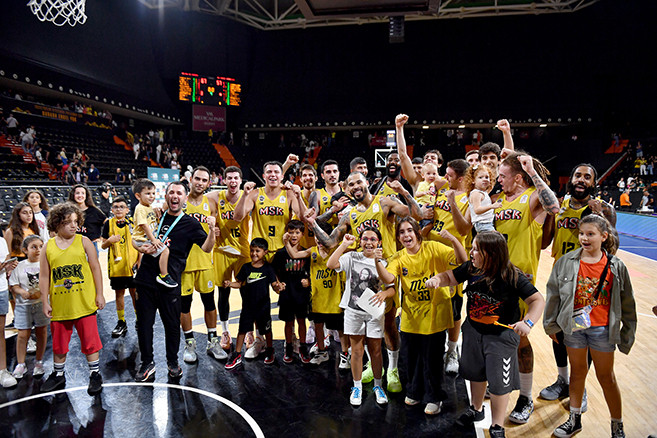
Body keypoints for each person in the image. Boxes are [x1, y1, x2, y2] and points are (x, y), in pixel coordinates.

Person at [308, 170, 423, 394]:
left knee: (388, 325)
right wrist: (312, 223)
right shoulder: (349, 215)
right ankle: (371, 364)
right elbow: (331, 242)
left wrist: (404, 192)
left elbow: (415, 214)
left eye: (358, 182)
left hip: (386, 271)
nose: (355, 187)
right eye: (350, 184)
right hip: (361, 276)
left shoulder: (385, 202)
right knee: (363, 325)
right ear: (347, 188)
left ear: (366, 183)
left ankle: (392, 369)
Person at [426, 231, 545, 438]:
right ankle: (476, 409)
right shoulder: (471, 269)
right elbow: (450, 277)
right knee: (474, 373)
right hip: (473, 330)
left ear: (491, 253)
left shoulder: (511, 275)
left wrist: (528, 322)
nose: (471, 253)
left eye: (476, 249)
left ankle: (497, 426)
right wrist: (438, 279)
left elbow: (537, 300)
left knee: (499, 383)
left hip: (501, 336)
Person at [544, 215, 636, 438]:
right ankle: (574, 420)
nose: (584, 238)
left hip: (602, 330)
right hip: (574, 327)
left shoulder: (616, 266)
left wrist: (627, 333)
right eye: (582, 233)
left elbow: (628, 304)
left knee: (607, 377)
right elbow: (553, 295)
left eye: (590, 234)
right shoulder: (566, 262)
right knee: (577, 373)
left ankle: (617, 426)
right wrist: (551, 325)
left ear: (604, 237)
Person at [540, 163, 616, 404]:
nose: (581, 180)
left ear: (593, 183)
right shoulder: (559, 206)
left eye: (587, 177)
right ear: (571, 179)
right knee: (558, 331)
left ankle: (578, 385)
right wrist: (551, 217)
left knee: (583, 334)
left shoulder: (603, 209)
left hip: (587, 282)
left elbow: (614, 246)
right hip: (560, 278)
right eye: (578, 175)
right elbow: (544, 243)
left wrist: (600, 216)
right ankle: (563, 380)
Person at [374, 218, 467, 415]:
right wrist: (376, 261)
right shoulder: (398, 258)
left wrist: (453, 240)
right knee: (412, 358)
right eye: (401, 232)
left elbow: (461, 261)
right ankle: (415, 391)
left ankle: (434, 397)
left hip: (435, 315)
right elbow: (389, 279)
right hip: (411, 317)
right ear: (398, 237)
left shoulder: (433, 248)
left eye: (409, 230)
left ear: (417, 233)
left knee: (432, 360)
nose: (406, 235)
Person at [492, 152, 559, 424]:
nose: (498, 179)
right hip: (493, 280)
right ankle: (499, 386)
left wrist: (533, 172)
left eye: (502, 175)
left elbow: (554, 206)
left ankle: (526, 396)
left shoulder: (532, 197)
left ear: (517, 178)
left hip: (519, 282)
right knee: (496, 337)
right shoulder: (496, 201)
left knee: (521, 341)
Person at [133, 181, 216, 382]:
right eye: (171, 192)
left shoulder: (190, 223)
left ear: (185, 198)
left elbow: (206, 248)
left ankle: (172, 362)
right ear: (166, 196)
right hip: (145, 279)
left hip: (169, 282)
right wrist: (140, 248)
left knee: (171, 325)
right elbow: (136, 237)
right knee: (144, 324)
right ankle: (147, 363)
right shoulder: (155, 216)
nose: (175, 196)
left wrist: (213, 231)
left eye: (179, 193)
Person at [233, 161, 302, 357]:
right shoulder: (255, 194)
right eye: (269, 172)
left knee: (290, 297)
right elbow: (238, 217)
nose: (272, 175)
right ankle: (259, 339)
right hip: (260, 254)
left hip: (283, 253)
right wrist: (244, 194)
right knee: (256, 299)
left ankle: (293, 337)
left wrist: (297, 194)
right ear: (263, 175)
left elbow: (303, 218)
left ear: (282, 175)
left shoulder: (288, 194)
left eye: (276, 172)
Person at [40, 202, 106, 396]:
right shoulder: (47, 247)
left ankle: (95, 374)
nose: (73, 225)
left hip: (84, 302)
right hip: (60, 304)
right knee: (60, 344)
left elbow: (95, 267)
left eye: (76, 221)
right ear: (56, 223)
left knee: (90, 342)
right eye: (68, 222)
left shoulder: (84, 241)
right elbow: (44, 276)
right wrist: (44, 300)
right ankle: (59, 375)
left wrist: (100, 293)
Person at [327, 228, 389, 406]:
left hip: (374, 313)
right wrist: (344, 245)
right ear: (360, 241)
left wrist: (386, 294)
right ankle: (357, 386)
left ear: (379, 242)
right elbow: (331, 265)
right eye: (365, 239)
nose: (368, 242)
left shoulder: (383, 263)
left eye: (373, 239)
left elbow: (390, 286)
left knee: (376, 351)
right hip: (353, 311)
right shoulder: (352, 257)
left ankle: (378, 386)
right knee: (356, 351)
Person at [284, 221, 350, 367]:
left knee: (340, 329)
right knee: (318, 326)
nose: (319, 240)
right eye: (316, 236)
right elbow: (294, 255)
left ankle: (345, 354)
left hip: (334, 298)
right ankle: (322, 351)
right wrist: (286, 243)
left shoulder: (336, 251)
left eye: (323, 237)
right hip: (317, 298)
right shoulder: (312, 251)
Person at [178, 167, 223, 363]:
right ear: (190, 180)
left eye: (204, 180)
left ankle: (213, 341)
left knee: (209, 303)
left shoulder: (211, 203)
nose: (200, 182)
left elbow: (217, 230)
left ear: (208, 183)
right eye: (197, 178)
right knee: (184, 305)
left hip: (205, 262)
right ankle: (189, 344)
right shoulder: (179, 201)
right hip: (183, 264)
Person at [207, 166, 250, 352]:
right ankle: (224, 331)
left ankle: (249, 330)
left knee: (247, 294)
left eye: (236, 178)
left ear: (240, 180)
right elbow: (191, 201)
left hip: (242, 251)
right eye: (229, 178)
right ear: (223, 180)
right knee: (223, 293)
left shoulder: (249, 196)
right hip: (221, 251)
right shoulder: (214, 197)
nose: (233, 181)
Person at [224, 238, 284, 370]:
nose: (254, 253)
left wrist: (279, 287)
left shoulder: (268, 269)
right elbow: (239, 283)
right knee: (242, 330)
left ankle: (269, 350)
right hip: (248, 306)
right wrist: (230, 284)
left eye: (258, 251)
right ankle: (237, 355)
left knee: (267, 330)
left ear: (265, 252)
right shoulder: (246, 267)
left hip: (263, 307)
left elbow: (274, 286)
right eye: (252, 251)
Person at [9, 235, 48, 379]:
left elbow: (50, 283)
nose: (38, 250)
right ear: (25, 250)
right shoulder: (19, 266)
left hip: (40, 304)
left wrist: (42, 292)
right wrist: (22, 292)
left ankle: (39, 362)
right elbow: (14, 285)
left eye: (40, 246)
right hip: (23, 306)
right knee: (23, 335)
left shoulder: (46, 264)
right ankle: (20, 364)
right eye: (34, 247)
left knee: (41, 332)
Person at [100, 196, 139, 338]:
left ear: (127, 209)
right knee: (119, 294)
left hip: (133, 265)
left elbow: (140, 242)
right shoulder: (108, 224)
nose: (118, 209)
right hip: (117, 266)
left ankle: (138, 318)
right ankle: (121, 321)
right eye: (116, 207)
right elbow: (103, 245)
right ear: (112, 209)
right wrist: (109, 241)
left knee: (135, 293)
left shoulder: (133, 223)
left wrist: (139, 260)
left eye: (122, 207)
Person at [275, 220, 312, 363]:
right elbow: (274, 270)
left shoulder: (305, 252)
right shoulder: (280, 254)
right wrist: (277, 283)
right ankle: (289, 346)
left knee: (302, 321)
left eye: (297, 232)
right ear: (286, 234)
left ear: (303, 234)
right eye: (291, 232)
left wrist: (308, 281)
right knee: (288, 323)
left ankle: (303, 347)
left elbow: (311, 272)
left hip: (301, 294)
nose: (294, 235)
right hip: (287, 294)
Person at [131, 179, 176, 288]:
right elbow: (144, 226)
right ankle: (164, 275)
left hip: (146, 238)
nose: (151, 196)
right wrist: (153, 240)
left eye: (153, 193)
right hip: (143, 239)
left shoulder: (148, 208)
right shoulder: (140, 208)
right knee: (165, 250)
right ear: (138, 196)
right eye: (147, 194)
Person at [0, 239, 19, 388]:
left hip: (1, 290)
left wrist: (9, 268)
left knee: (0, 332)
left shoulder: (1, 241)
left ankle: (2, 370)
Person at [67, 184, 107, 254]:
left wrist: (102, 237)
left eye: (83, 193)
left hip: (91, 245)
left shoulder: (94, 211)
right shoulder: (68, 211)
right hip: (73, 245)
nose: (80, 195)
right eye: (77, 193)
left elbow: (107, 222)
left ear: (86, 196)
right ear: (73, 195)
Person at [465, 164, 502, 233]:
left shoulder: (482, 192)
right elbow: (477, 210)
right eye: (480, 177)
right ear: (473, 180)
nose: (485, 179)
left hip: (487, 223)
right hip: (483, 224)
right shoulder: (476, 193)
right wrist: (492, 206)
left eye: (487, 177)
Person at [414, 162, 439, 232]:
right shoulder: (422, 184)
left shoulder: (434, 184)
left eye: (434, 174)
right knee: (429, 225)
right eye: (428, 174)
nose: (431, 176)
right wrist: (424, 193)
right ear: (423, 175)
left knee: (424, 224)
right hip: (423, 205)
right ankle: (421, 236)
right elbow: (417, 194)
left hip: (431, 206)